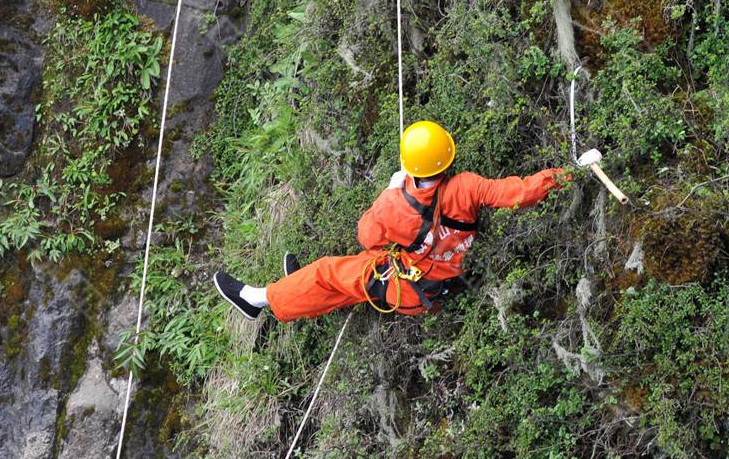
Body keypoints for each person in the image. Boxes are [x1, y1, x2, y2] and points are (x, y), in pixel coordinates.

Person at [213, 120, 571, 322]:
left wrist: (390, 190)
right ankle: (296, 288)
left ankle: (255, 300)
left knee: (329, 272)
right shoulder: (467, 187)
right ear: (447, 158)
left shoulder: (393, 203)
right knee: (343, 280)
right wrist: (569, 173)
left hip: (412, 288)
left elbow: (367, 236)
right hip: (446, 279)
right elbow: (520, 192)